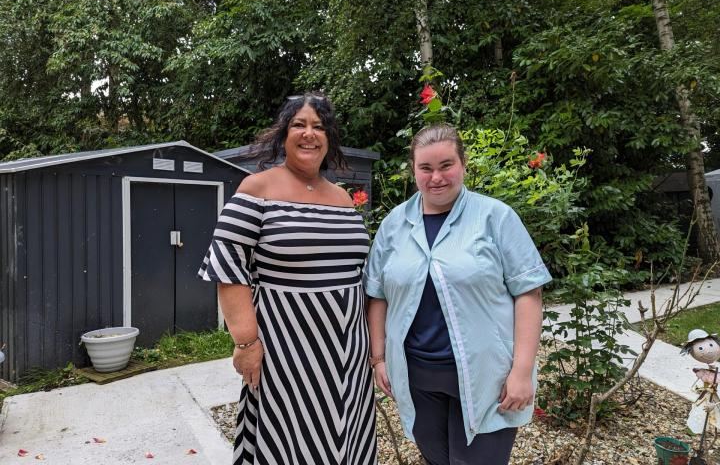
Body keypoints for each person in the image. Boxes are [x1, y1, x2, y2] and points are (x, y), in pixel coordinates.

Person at [198, 93, 377, 465]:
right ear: (283, 134)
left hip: (348, 353)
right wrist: (246, 344)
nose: (309, 134)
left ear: (329, 137)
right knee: (290, 440)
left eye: (318, 126)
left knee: (347, 435)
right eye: (299, 125)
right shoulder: (256, 189)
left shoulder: (343, 199)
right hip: (286, 352)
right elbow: (227, 268)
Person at [364, 123, 551, 465]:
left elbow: (529, 294)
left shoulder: (496, 218)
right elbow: (377, 294)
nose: (436, 177)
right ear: (414, 170)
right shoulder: (394, 225)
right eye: (426, 168)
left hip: (488, 378)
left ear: (463, 165)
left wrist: (522, 371)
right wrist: (378, 358)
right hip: (418, 378)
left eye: (446, 165)